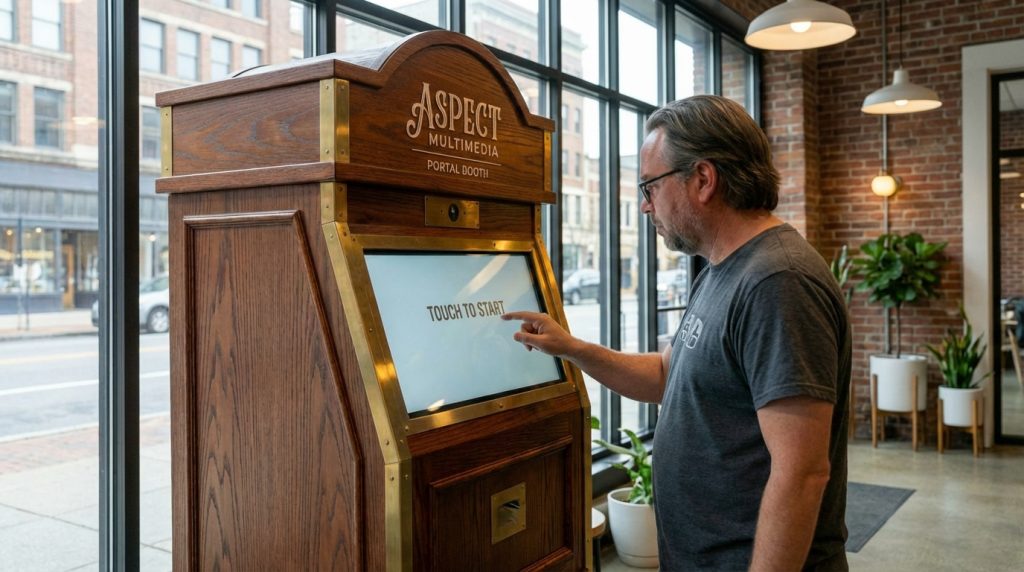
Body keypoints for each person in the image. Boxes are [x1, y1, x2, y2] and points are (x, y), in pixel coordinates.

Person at [503, 95, 850, 571]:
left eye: (650, 187)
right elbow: (671, 374)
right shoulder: (722, 268)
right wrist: (573, 348)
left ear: (703, 180)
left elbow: (802, 473)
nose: (645, 206)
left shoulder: (777, 281)